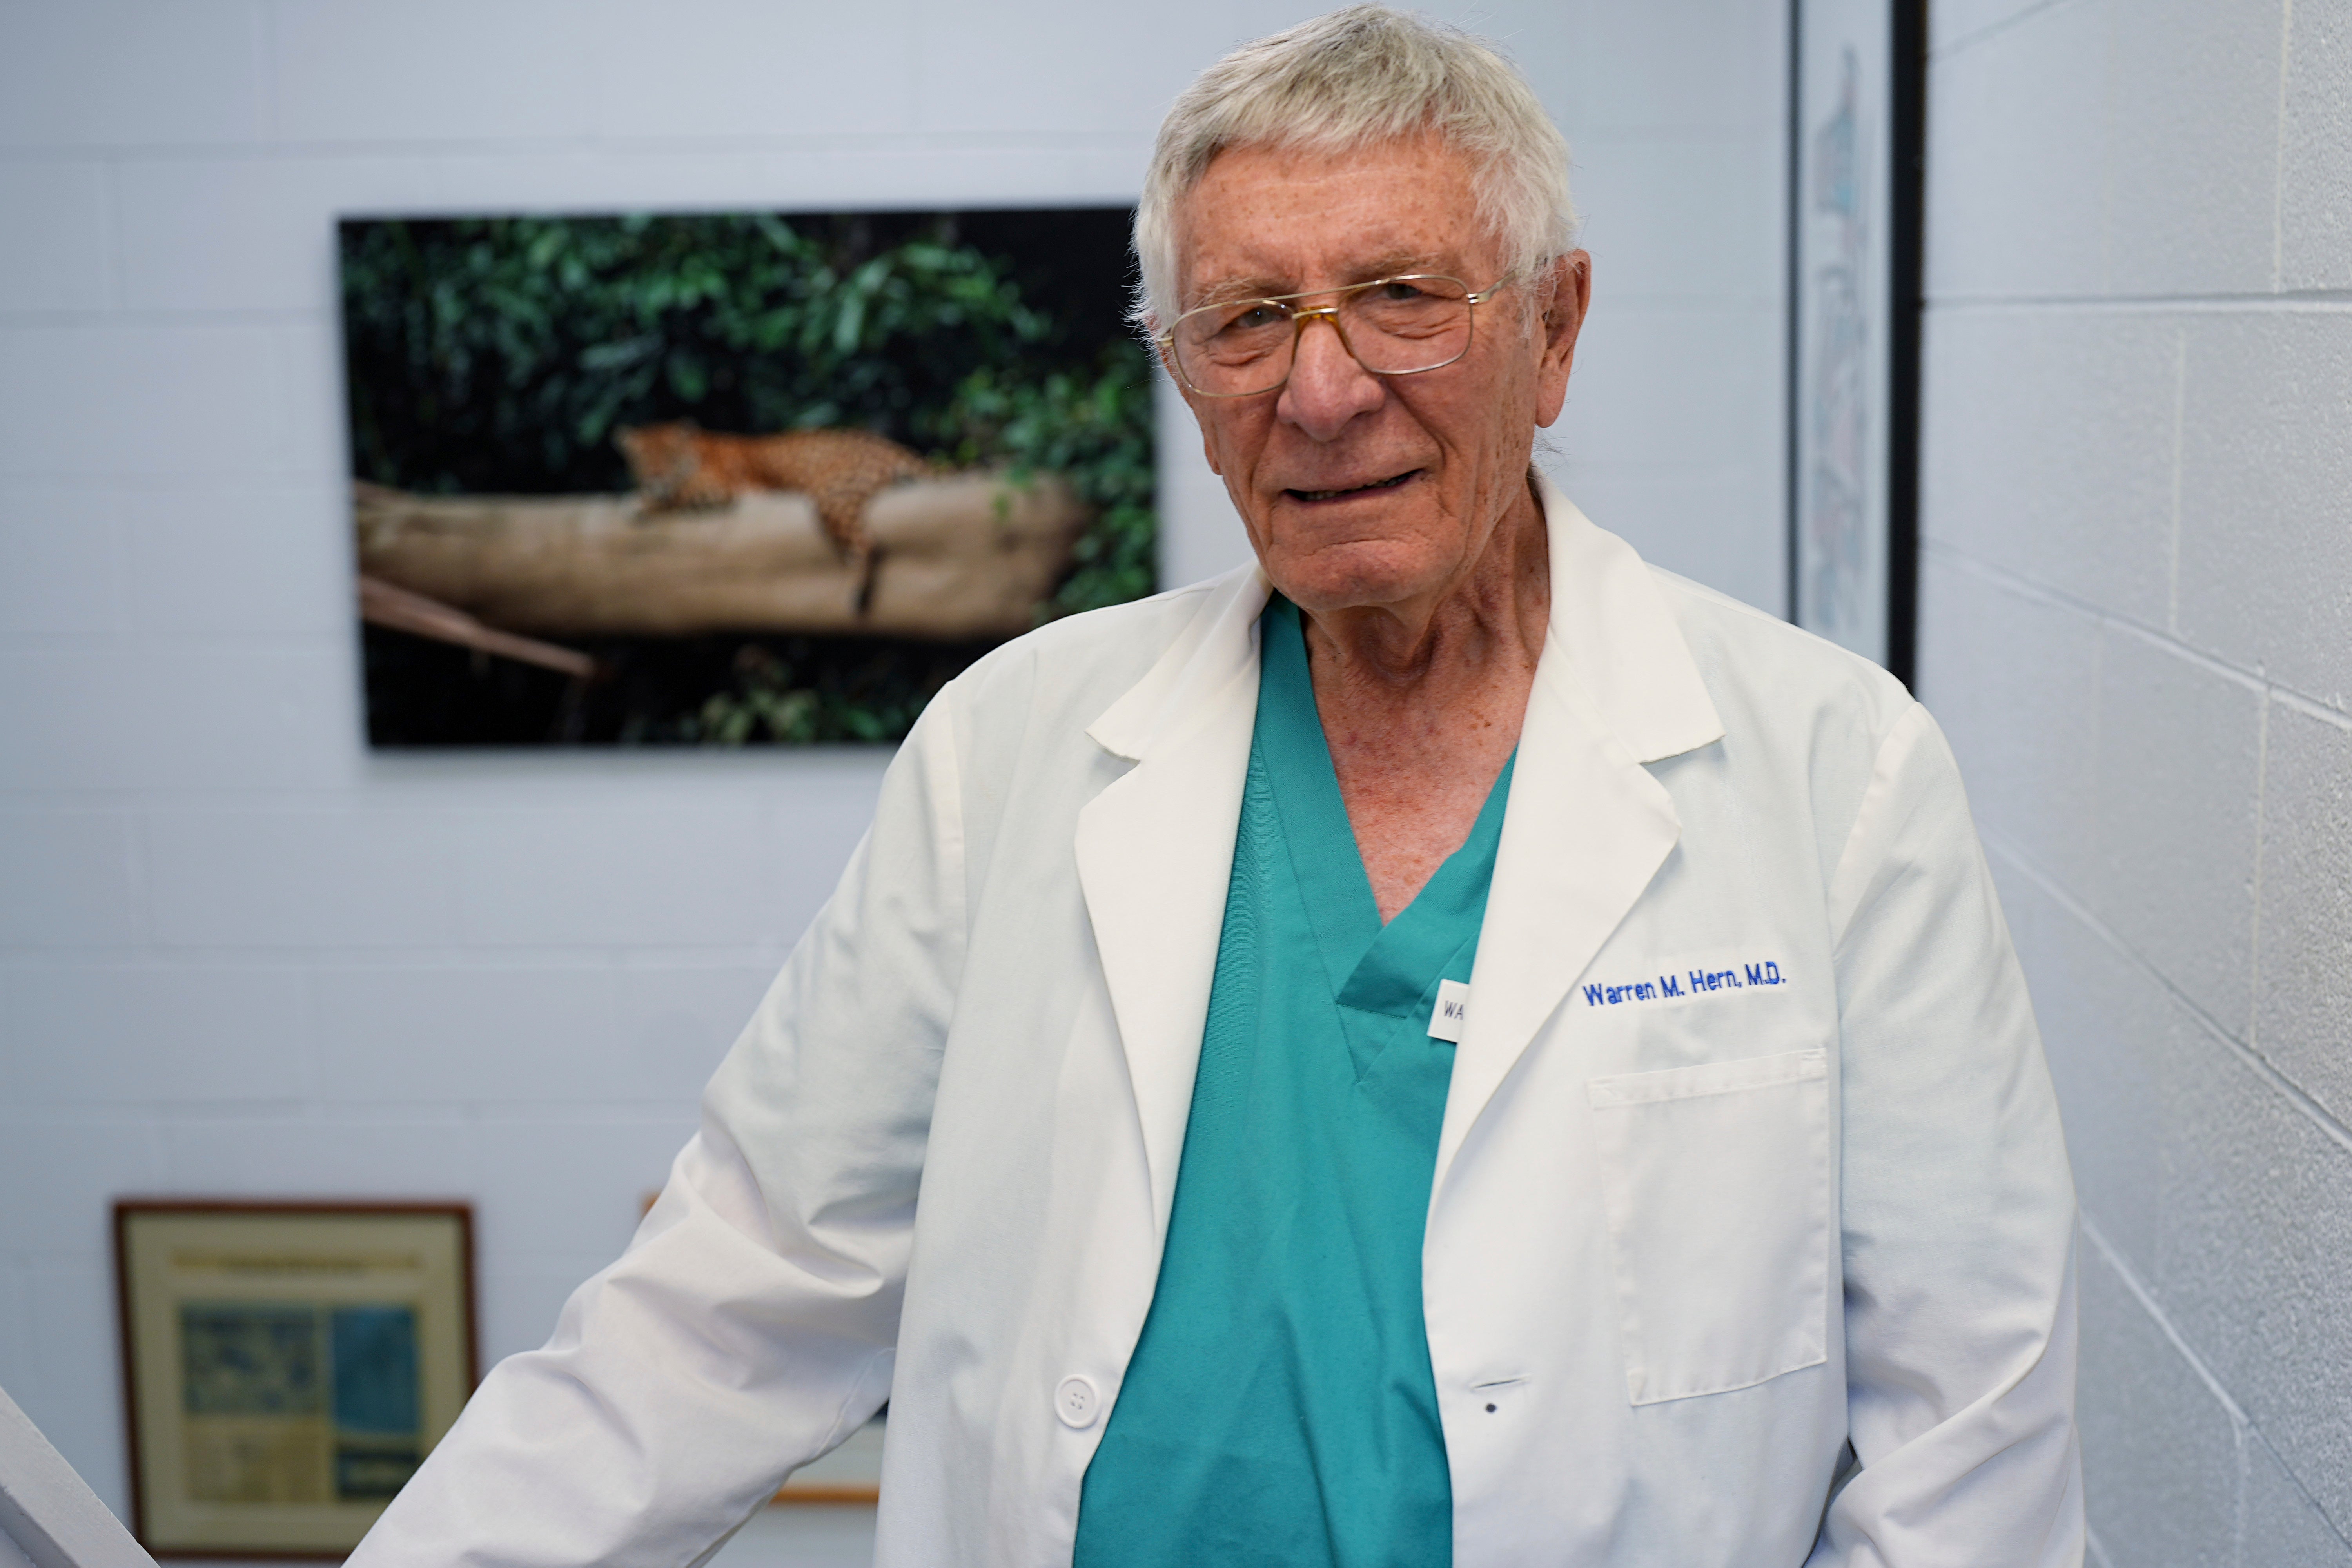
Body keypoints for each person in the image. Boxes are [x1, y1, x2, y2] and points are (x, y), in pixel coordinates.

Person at [350, 8, 2083, 1566]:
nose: (1322, 392)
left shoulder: (1833, 773)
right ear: (1186, 376)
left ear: (1551, 333)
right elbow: (727, 1300)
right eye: (1248, 319)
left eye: (1403, 296)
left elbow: (1973, 1449)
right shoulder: (1011, 749)